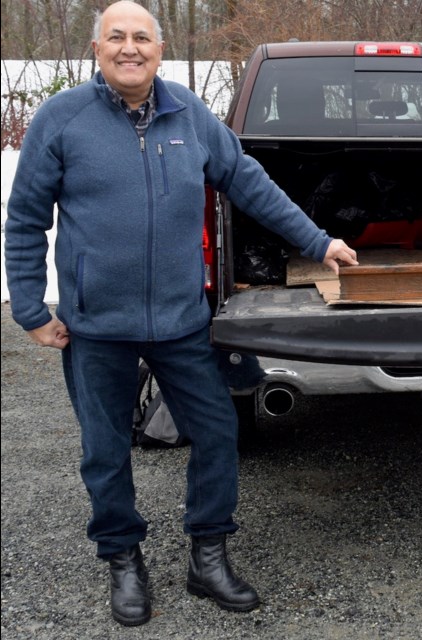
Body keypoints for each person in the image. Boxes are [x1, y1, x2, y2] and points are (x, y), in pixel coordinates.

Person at [3, 1, 358, 627]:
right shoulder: (61, 119)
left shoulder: (188, 114)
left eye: (143, 37)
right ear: (97, 49)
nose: (130, 47)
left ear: (159, 51)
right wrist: (30, 308)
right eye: (117, 37)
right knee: (105, 446)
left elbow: (247, 180)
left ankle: (208, 555)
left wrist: (317, 241)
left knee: (218, 431)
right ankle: (122, 558)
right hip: (95, 325)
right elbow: (26, 218)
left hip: (181, 320)